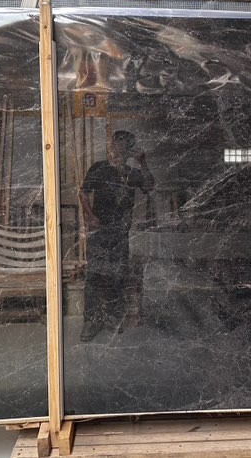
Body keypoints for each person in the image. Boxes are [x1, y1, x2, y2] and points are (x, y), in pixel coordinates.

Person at [79, 130, 154, 342]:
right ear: (112, 146)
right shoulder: (99, 168)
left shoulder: (132, 173)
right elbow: (83, 192)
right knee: (94, 274)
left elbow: (150, 185)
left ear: (130, 149)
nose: (121, 148)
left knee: (117, 275)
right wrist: (90, 216)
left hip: (121, 232)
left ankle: (112, 317)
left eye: (126, 145)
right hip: (99, 230)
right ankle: (91, 320)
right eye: (118, 143)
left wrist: (143, 162)